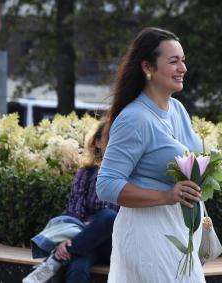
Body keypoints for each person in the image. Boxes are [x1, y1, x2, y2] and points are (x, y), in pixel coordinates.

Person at [96, 27, 204, 282]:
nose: (183, 68)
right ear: (148, 67)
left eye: (183, 60)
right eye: (173, 61)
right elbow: (106, 185)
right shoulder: (134, 118)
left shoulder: (177, 109)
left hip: (180, 231)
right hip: (149, 233)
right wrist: (166, 196)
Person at [23, 121, 119, 283]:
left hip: (113, 244)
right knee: (77, 267)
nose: (114, 143)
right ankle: (65, 253)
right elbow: (74, 213)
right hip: (84, 241)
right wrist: (74, 239)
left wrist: (73, 242)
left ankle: (56, 259)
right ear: (97, 142)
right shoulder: (87, 173)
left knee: (109, 216)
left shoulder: (129, 175)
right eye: (109, 138)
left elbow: (125, 217)